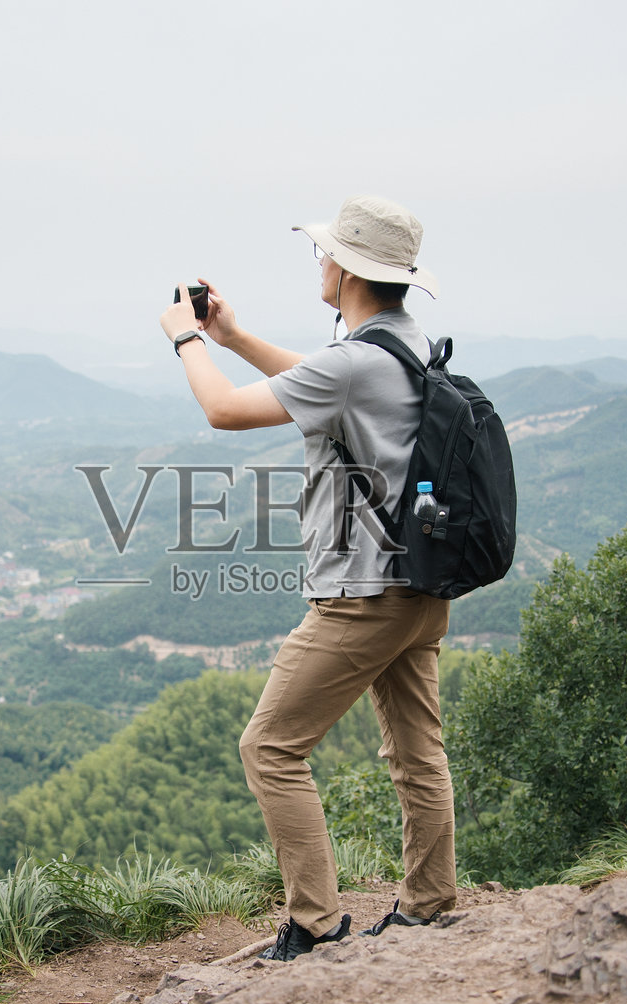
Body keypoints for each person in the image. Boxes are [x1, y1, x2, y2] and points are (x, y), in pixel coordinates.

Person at [158, 195, 454, 962]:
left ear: (348, 268)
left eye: (324, 253)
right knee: (417, 753)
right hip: (422, 586)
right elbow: (318, 383)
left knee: (270, 747)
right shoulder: (407, 346)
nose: (319, 263)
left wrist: (187, 337)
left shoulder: (355, 361)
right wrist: (232, 335)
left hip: (362, 595)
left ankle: (316, 922)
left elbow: (224, 410)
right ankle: (428, 904)